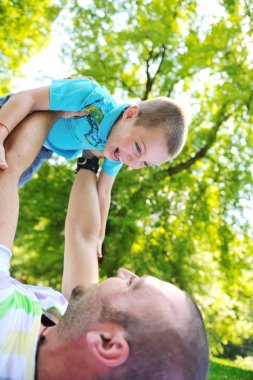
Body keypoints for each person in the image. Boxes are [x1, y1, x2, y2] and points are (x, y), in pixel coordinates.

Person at [0, 112, 209, 380]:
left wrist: (53, 104)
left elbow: (9, 165)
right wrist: (90, 158)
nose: (123, 271)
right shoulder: (69, 324)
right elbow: (83, 238)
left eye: (133, 284)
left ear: (108, 344)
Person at [0, 77, 188, 256]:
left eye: (145, 163)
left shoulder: (117, 151)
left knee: (4, 190)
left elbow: (104, 191)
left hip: (41, 148)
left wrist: (99, 234)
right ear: (130, 115)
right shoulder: (91, 97)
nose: (132, 161)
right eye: (138, 148)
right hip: (15, 116)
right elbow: (27, 98)